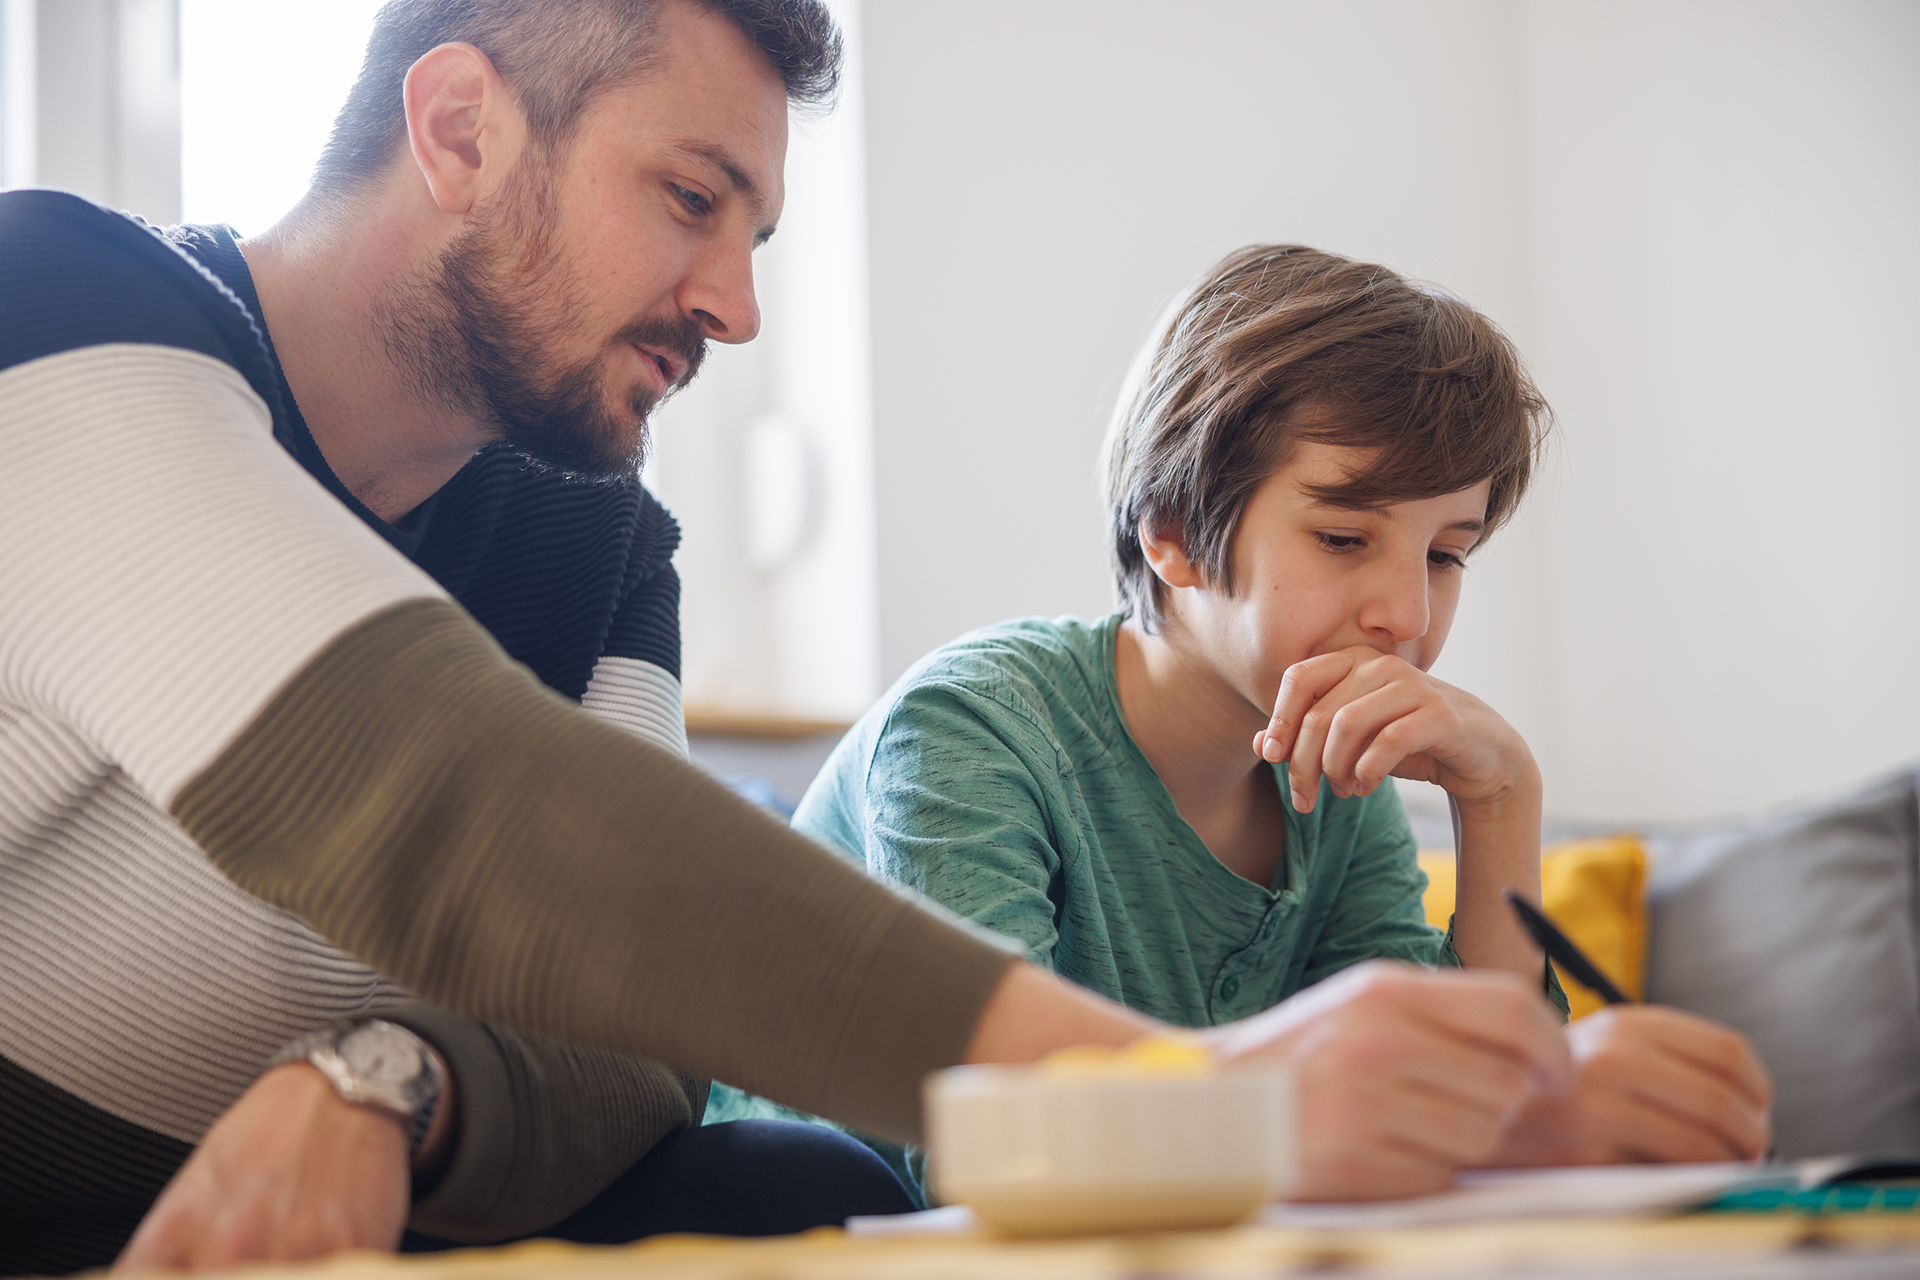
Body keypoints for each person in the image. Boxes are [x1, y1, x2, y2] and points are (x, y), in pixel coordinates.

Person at [0, 2, 1642, 1273]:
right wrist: (1197, 1099)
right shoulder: (59, 303)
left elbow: (638, 1048)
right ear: (457, 129)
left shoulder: (606, 546)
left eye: (757, 237)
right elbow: (443, 786)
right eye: (690, 199)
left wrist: (389, 1082)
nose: (736, 305)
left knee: (774, 1187)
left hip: (346, 1212)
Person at [747, 244, 1772, 1200]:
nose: (1408, 614)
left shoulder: (1331, 773)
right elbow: (983, 1149)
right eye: (1341, 534)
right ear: (1175, 535)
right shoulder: (971, 731)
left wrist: (1502, 800)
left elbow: (1464, 1134)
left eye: (1446, 553)